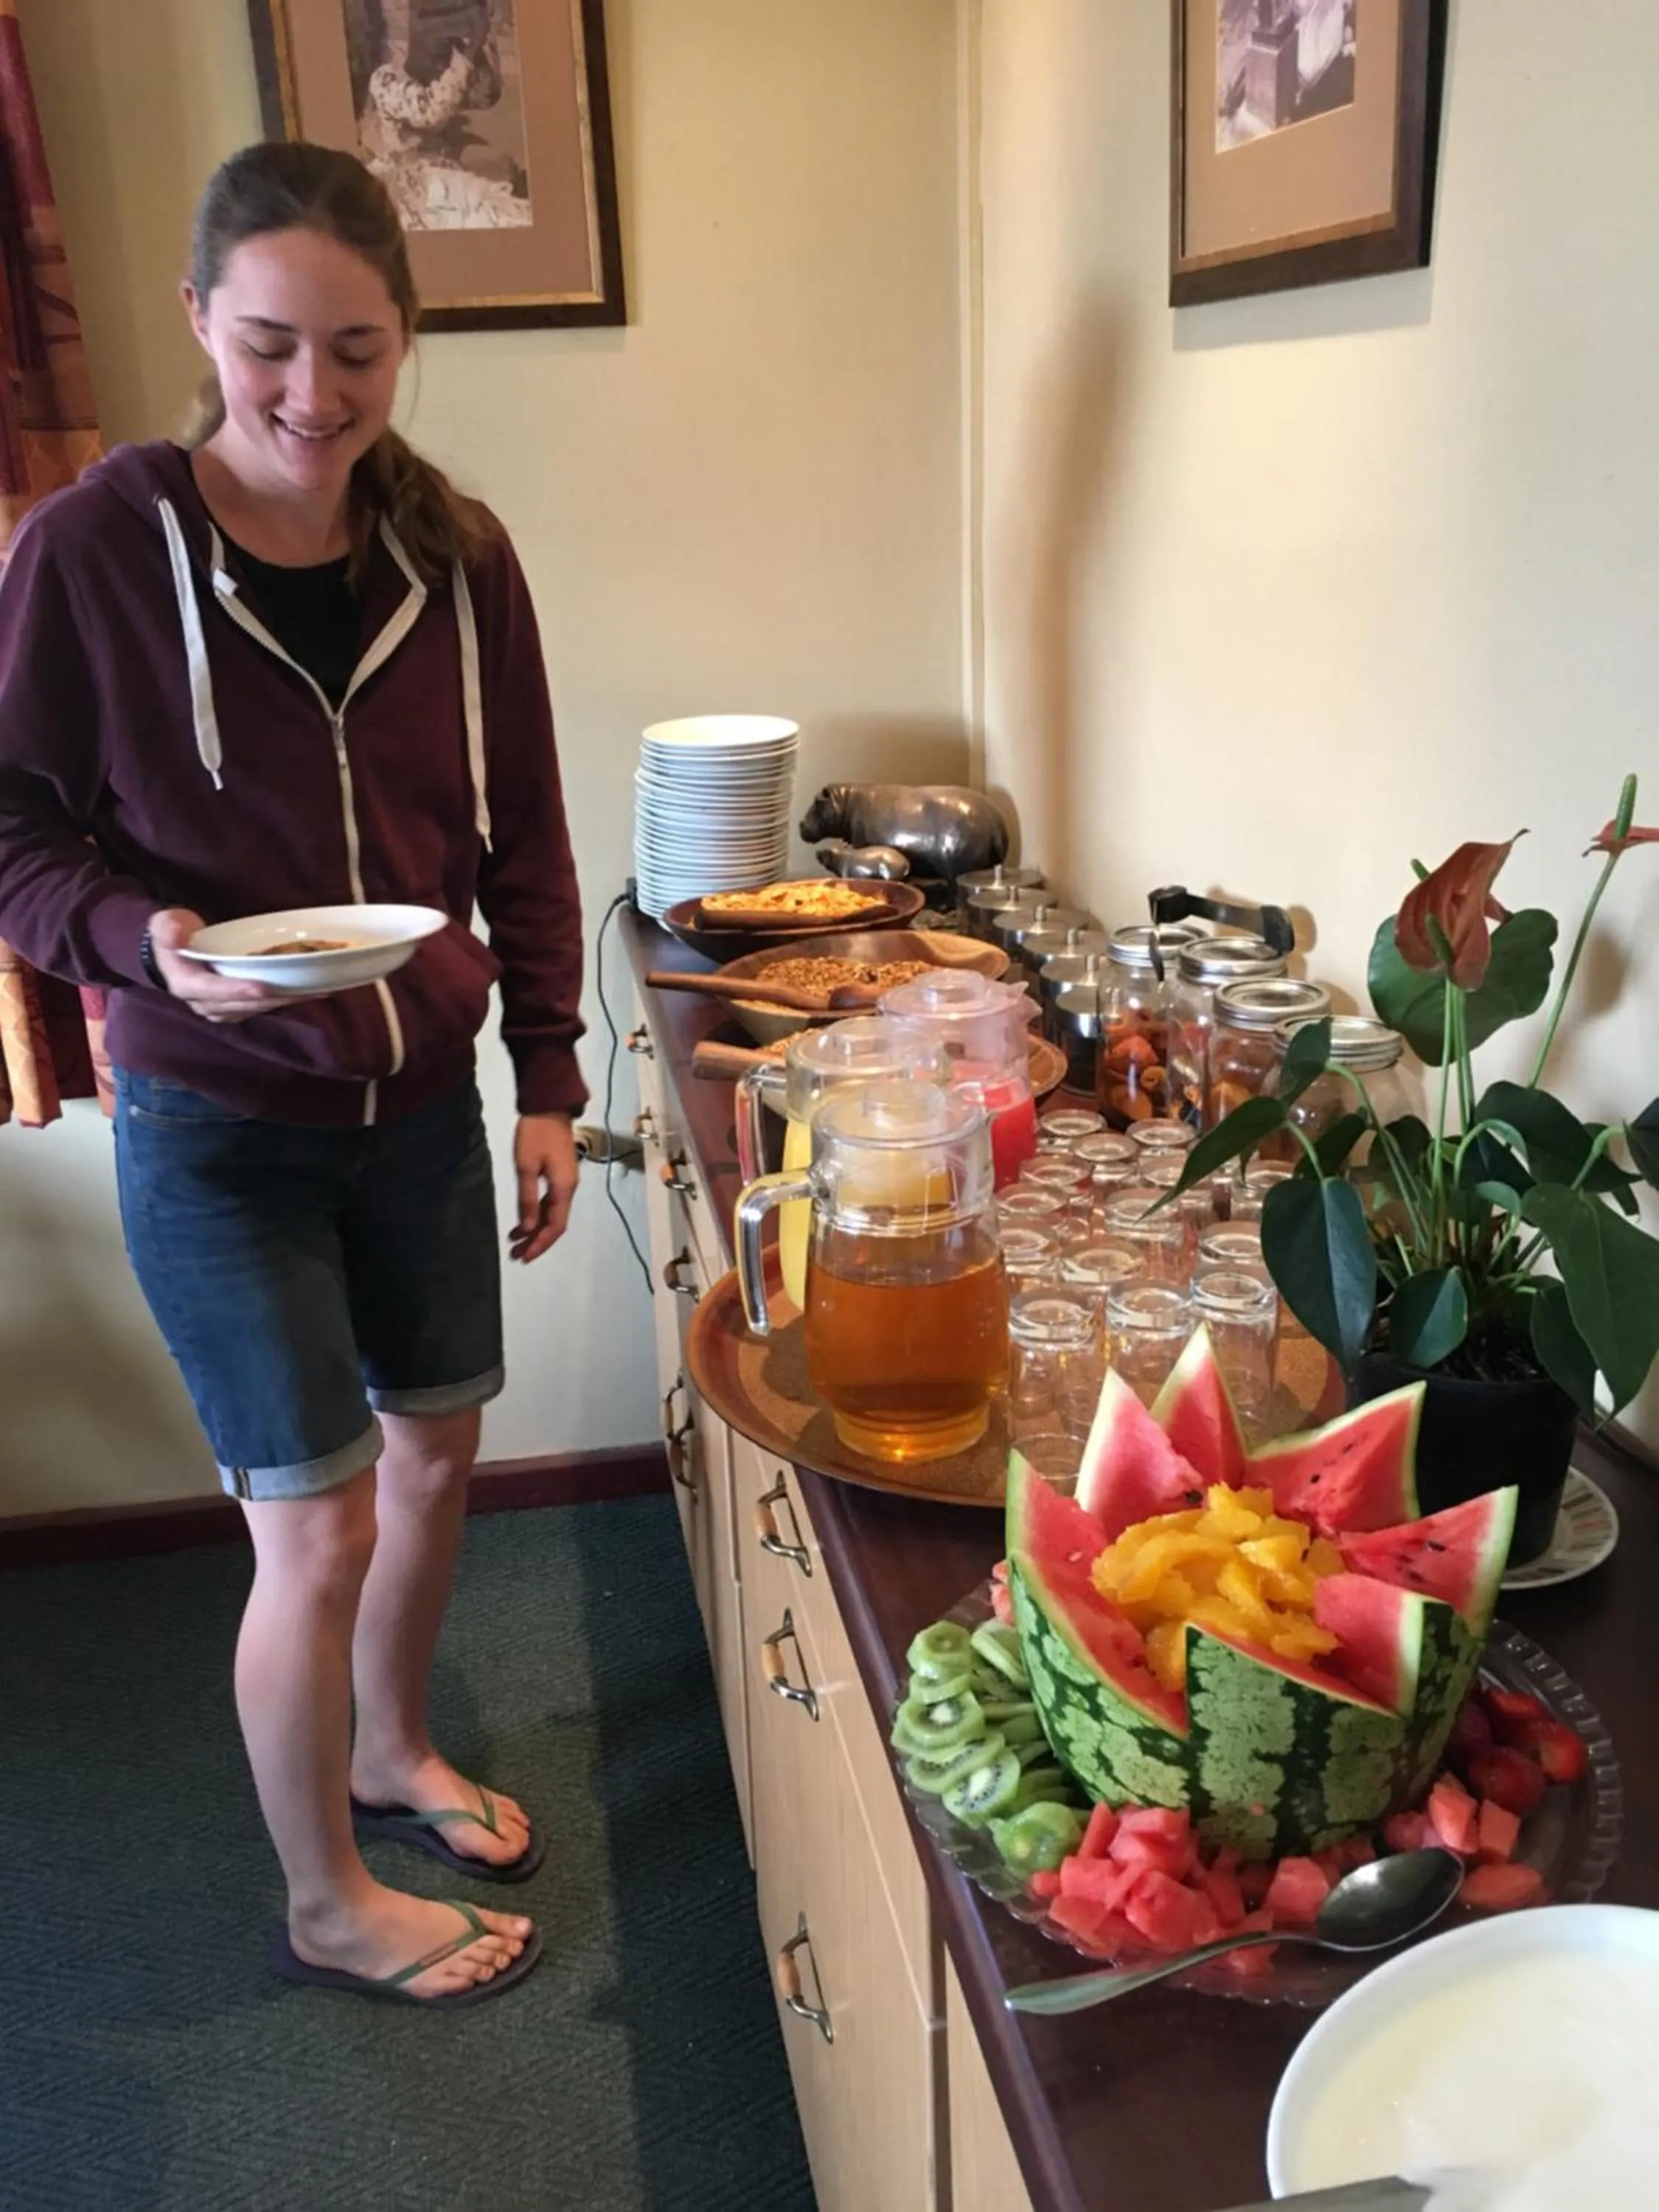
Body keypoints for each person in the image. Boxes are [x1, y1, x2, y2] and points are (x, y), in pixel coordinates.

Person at [0, 142, 585, 2006]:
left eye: (357, 351)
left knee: (432, 1467)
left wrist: (551, 1080)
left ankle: (389, 1749)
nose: (312, 398)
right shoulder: (90, 551)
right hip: (211, 1122)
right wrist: (139, 943)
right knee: (314, 1521)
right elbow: (12, 831)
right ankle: (325, 1899)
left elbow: (528, 848)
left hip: (415, 1105)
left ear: (406, 341)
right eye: (268, 346)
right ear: (197, 322)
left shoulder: (458, 557)